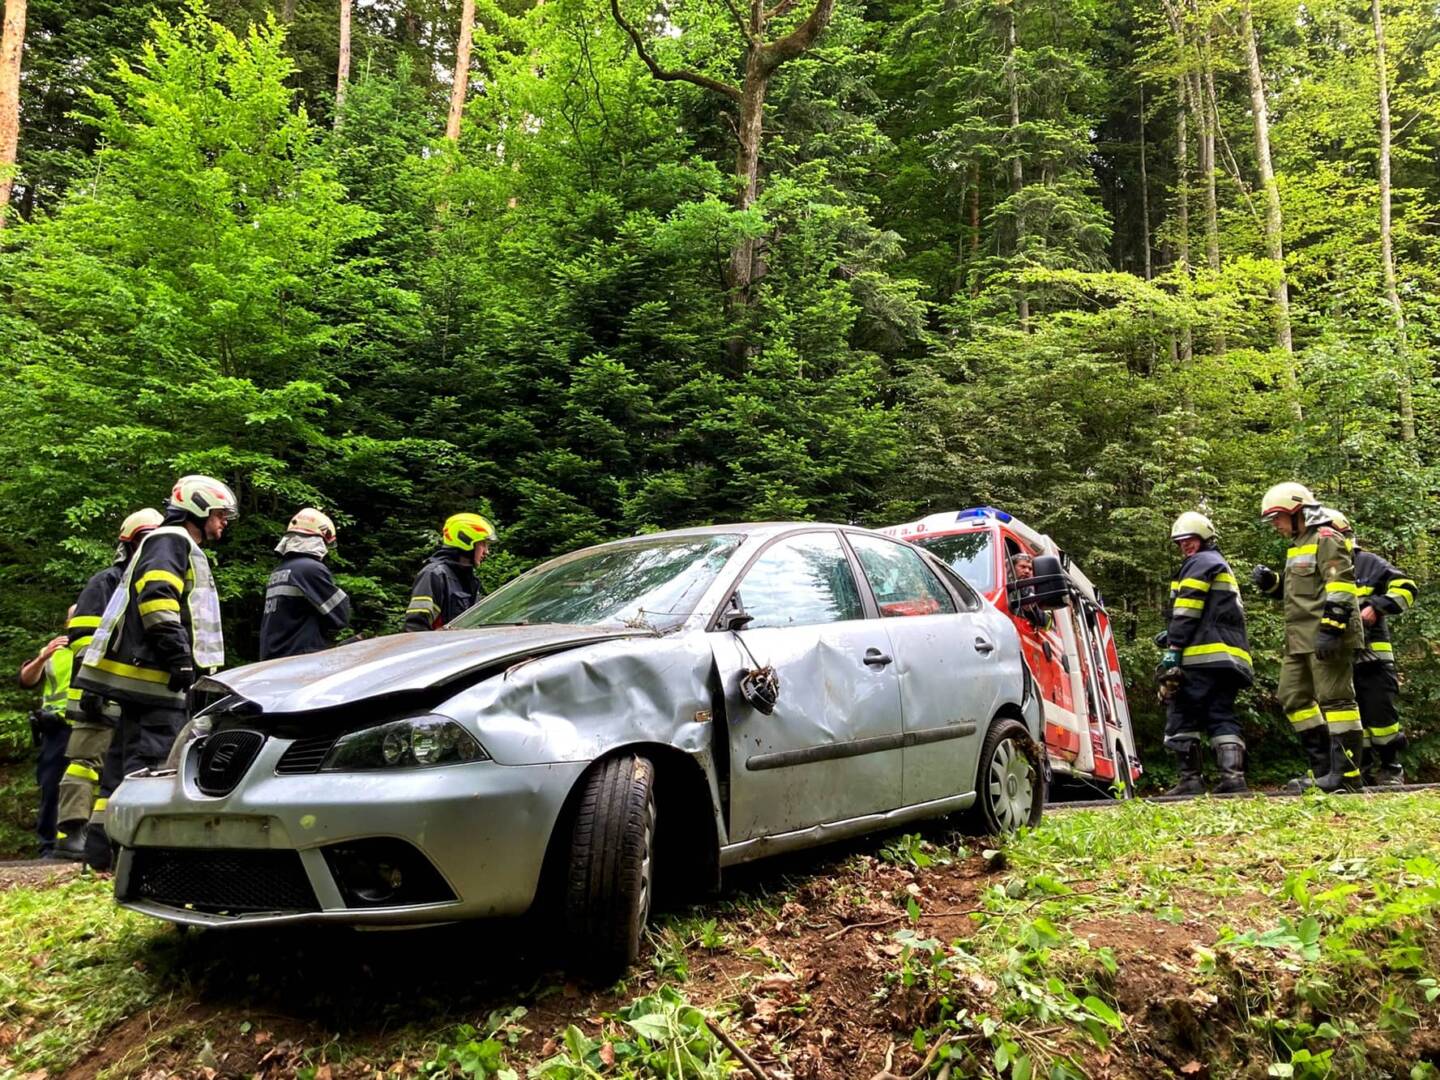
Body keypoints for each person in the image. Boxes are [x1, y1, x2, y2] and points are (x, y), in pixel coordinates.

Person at [73, 476, 236, 869]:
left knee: (118, 771)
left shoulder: (168, 542)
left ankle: (102, 855)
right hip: (157, 680)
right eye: (220, 515)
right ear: (199, 509)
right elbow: (158, 600)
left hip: (141, 680)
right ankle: (141, 860)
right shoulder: (172, 541)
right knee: (151, 767)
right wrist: (178, 656)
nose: (223, 523)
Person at [51, 507, 163, 861]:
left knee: (117, 770)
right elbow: (82, 636)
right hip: (96, 692)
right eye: (143, 540)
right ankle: (70, 832)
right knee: (84, 761)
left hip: (129, 691)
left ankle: (105, 838)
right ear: (129, 545)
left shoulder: (146, 583)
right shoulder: (106, 581)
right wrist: (94, 686)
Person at [1251, 483, 1363, 793]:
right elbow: (1297, 591)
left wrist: (1331, 630)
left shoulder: (1327, 538)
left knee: (1336, 700)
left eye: (1277, 517)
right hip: (1298, 638)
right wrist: (1271, 583)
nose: (1275, 524)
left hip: (1327, 635)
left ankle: (1347, 776)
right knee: (1292, 697)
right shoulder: (1298, 543)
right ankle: (1323, 770)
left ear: (1298, 512)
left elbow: (1340, 586)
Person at [1157, 512, 1253, 795]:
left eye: (1190, 540)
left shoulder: (1198, 563)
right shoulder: (1219, 563)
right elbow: (1215, 612)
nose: (1185, 546)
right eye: (1181, 543)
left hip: (1200, 657)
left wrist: (1174, 647)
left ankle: (1190, 780)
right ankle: (1233, 779)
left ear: (1204, 538)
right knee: (1220, 714)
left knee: (1182, 711)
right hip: (1229, 659)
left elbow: (1187, 609)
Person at [1326, 510, 1417, 787]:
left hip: (1374, 658)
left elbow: (1406, 588)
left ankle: (1391, 768)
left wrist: (1377, 606)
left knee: (1381, 717)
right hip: (1340, 660)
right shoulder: (1324, 569)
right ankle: (1360, 771)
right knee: (1352, 720)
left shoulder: (1367, 564)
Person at [17, 610, 75, 857]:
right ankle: (49, 847)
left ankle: (89, 843)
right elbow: (26, 679)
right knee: (52, 786)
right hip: (57, 729)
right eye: (74, 615)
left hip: (93, 726)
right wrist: (42, 658)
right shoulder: (55, 651)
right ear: (67, 622)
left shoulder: (102, 646)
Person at [259, 508, 351, 659]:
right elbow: (341, 615)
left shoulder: (280, 571)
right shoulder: (310, 569)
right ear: (319, 540)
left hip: (275, 658)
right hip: (298, 659)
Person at [404, 513, 495, 631]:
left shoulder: (469, 580)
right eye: (483, 544)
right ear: (466, 540)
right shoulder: (434, 575)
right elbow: (415, 628)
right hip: (442, 648)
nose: (486, 551)